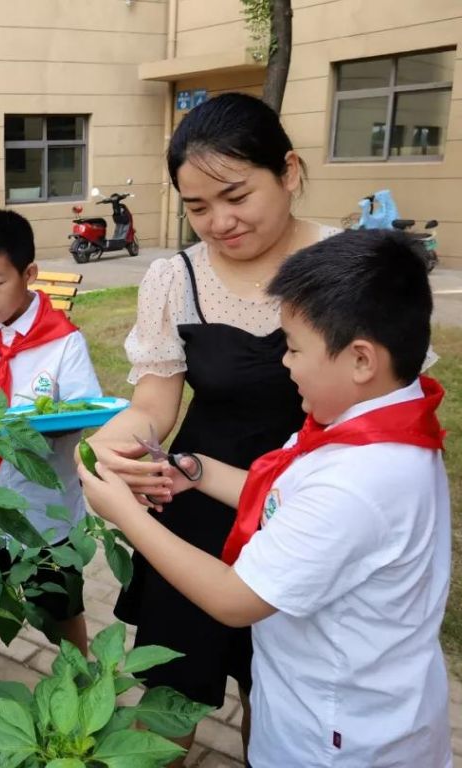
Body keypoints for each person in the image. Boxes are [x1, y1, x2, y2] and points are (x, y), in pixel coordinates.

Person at [78, 229, 450, 768]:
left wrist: (127, 516)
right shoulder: (370, 427)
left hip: (337, 743)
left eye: (294, 348)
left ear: (361, 360)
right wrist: (197, 471)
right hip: (326, 711)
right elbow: (285, 490)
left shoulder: (361, 478)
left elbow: (235, 598)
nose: (285, 364)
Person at [78, 92, 339, 757]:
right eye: (197, 207)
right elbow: (156, 403)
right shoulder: (175, 278)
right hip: (194, 502)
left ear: (290, 171)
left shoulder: (347, 270)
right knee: (172, 687)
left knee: (275, 691)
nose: (219, 222)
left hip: (307, 510)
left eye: (236, 195)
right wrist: (124, 438)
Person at [0, 209, 101, 691]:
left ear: (29, 273)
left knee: (62, 605)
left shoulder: (64, 343)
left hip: (45, 507)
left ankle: (79, 686)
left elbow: (84, 416)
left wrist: (37, 429)